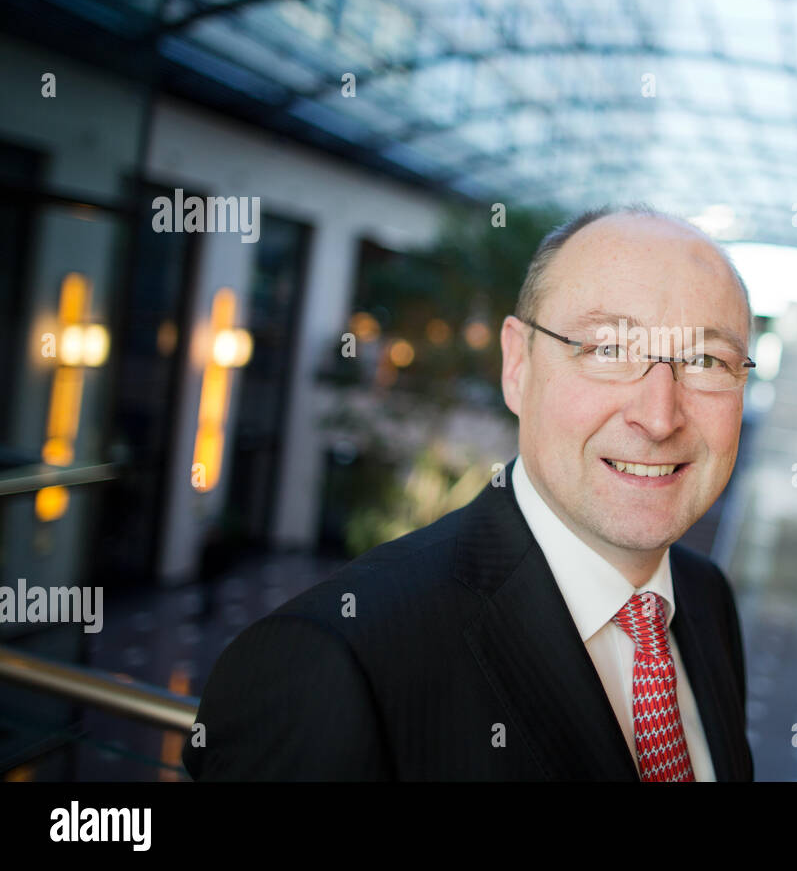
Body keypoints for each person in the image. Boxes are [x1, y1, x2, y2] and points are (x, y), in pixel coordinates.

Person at [183, 205, 756, 781]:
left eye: (706, 360)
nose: (659, 418)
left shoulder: (705, 599)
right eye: (608, 350)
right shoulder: (325, 664)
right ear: (518, 365)